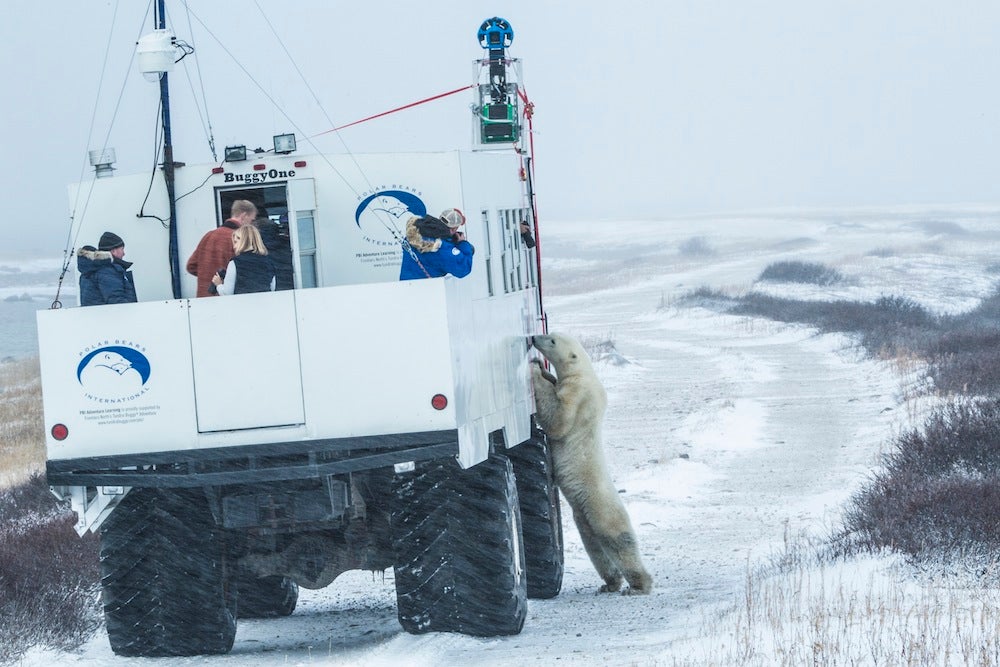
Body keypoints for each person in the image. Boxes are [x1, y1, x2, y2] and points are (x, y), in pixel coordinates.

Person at [187, 199, 257, 297]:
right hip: (226, 300)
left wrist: (208, 277)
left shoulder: (208, 236)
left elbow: (191, 266)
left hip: (203, 299)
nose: (251, 224)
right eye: (252, 220)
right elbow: (245, 272)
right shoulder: (239, 239)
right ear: (244, 216)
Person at [399, 208, 475, 280]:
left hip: (405, 287)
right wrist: (462, 244)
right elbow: (463, 269)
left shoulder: (416, 233)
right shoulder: (443, 248)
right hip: (427, 290)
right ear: (454, 229)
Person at [211, 224, 276, 295]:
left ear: (243, 241)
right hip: (264, 304)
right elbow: (272, 287)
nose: (234, 246)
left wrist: (219, 285)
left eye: (235, 242)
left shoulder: (235, 262)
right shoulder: (268, 262)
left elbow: (227, 293)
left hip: (242, 304)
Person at [77, 231, 137, 306]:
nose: (123, 253)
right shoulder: (107, 271)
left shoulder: (91, 269)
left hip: (95, 316)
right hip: (112, 317)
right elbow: (117, 302)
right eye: (122, 249)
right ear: (113, 251)